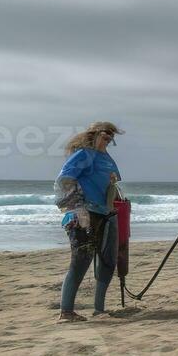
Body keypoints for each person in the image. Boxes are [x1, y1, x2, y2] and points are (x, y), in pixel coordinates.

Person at [54, 121, 124, 321]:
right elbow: (64, 180)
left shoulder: (107, 158)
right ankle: (66, 312)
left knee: (108, 261)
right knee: (81, 260)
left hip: (106, 212)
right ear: (94, 134)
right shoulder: (83, 155)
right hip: (84, 214)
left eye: (112, 136)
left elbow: (111, 183)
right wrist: (77, 208)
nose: (109, 138)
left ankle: (99, 309)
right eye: (105, 134)